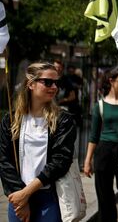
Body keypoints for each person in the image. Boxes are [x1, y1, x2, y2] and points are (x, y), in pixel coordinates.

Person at [0, 62, 76, 222]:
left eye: (57, 83)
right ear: (31, 84)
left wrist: (26, 193)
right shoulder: (11, 120)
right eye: (48, 82)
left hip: (48, 198)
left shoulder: (63, 120)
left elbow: (60, 161)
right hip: (17, 197)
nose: (54, 87)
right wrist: (21, 196)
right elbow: (4, 161)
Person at [83, 66, 118, 221]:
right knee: (104, 194)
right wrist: (87, 161)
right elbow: (93, 136)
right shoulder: (99, 105)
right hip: (104, 151)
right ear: (111, 81)